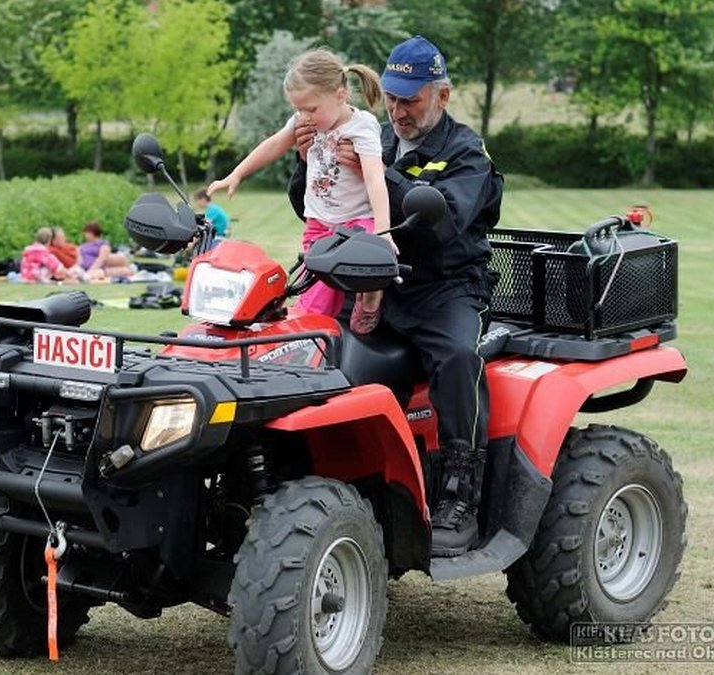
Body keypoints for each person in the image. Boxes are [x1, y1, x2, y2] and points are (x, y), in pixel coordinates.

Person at [289, 35, 504, 557]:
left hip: (444, 287)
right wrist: (305, 166)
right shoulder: (368, 134)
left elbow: (443, 224)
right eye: (391, 96)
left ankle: (460, 496)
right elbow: (312, 207)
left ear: (443, 96)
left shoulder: (465, 152)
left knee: (457, 356)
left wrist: (372, 170)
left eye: (411, 98)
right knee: (305, 344)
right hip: (370, 282)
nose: (398, 109)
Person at [207, 48, 392, 329]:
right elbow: (274, 144)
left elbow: (375, 179)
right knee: (313, 305)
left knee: (367, 255)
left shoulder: (362, 127)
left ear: (340, 95)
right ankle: (310, 343)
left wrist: (382, 232)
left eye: (312, 109)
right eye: (298, 109)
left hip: (356, 221)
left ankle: (370, 297)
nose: (304, 116)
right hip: (318, 224)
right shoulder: (304, 121)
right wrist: (237, 174)